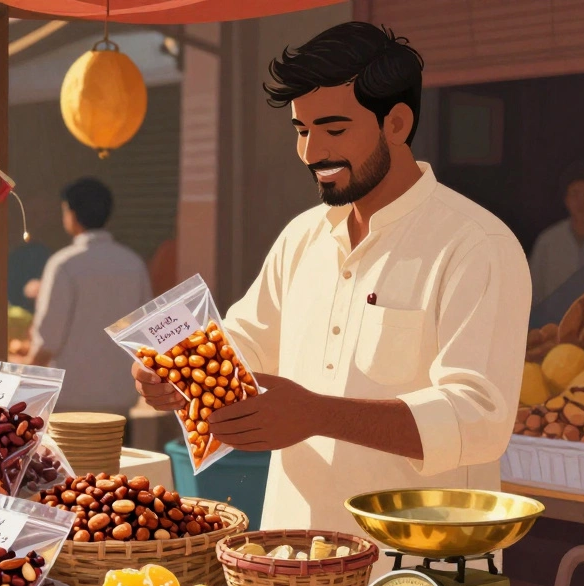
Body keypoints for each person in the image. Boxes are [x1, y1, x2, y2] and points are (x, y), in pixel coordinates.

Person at [130, 23, 531, 551]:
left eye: (334, 129)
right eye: (301, 130)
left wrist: (318, 414)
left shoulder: (475, 244)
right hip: (290, 560)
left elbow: (479, 419)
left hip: (412, 572)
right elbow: (245, 341)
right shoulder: (302, 238)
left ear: (397, 123)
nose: (311, 151)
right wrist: (177, 370)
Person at [29, 177, 152, 417]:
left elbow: (48, 340)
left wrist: (24, 378)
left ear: (71, 214)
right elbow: (145, 330)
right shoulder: (133, 263)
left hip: (70, 397)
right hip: (121, 395)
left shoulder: (64, 264)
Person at [529, 161, 584, 305]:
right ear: (566, 200)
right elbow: (534, 291)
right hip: (555, 323)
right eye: (574, 194)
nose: (581, 202)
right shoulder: (548, 241)